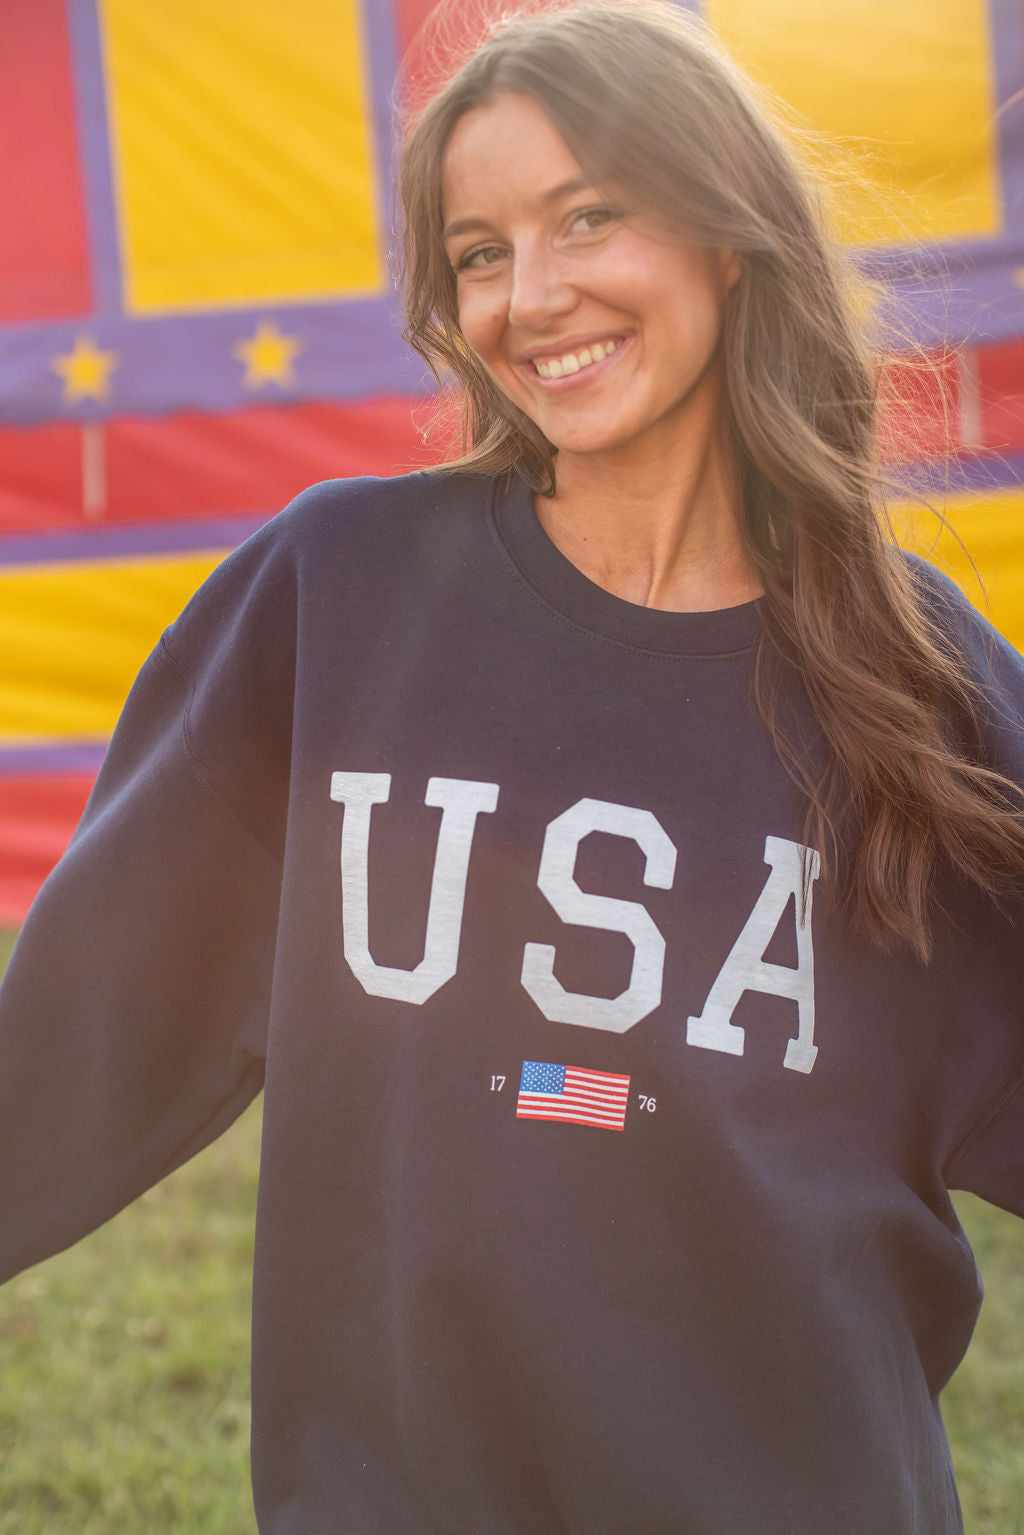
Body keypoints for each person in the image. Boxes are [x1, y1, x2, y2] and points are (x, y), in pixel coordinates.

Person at [2, 2, 1023, 1530]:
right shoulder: (339, 596)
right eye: (480, 252)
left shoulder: (909, 674)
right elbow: (83, 1031)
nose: (531, 297)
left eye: (589, 217)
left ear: (728, 235)